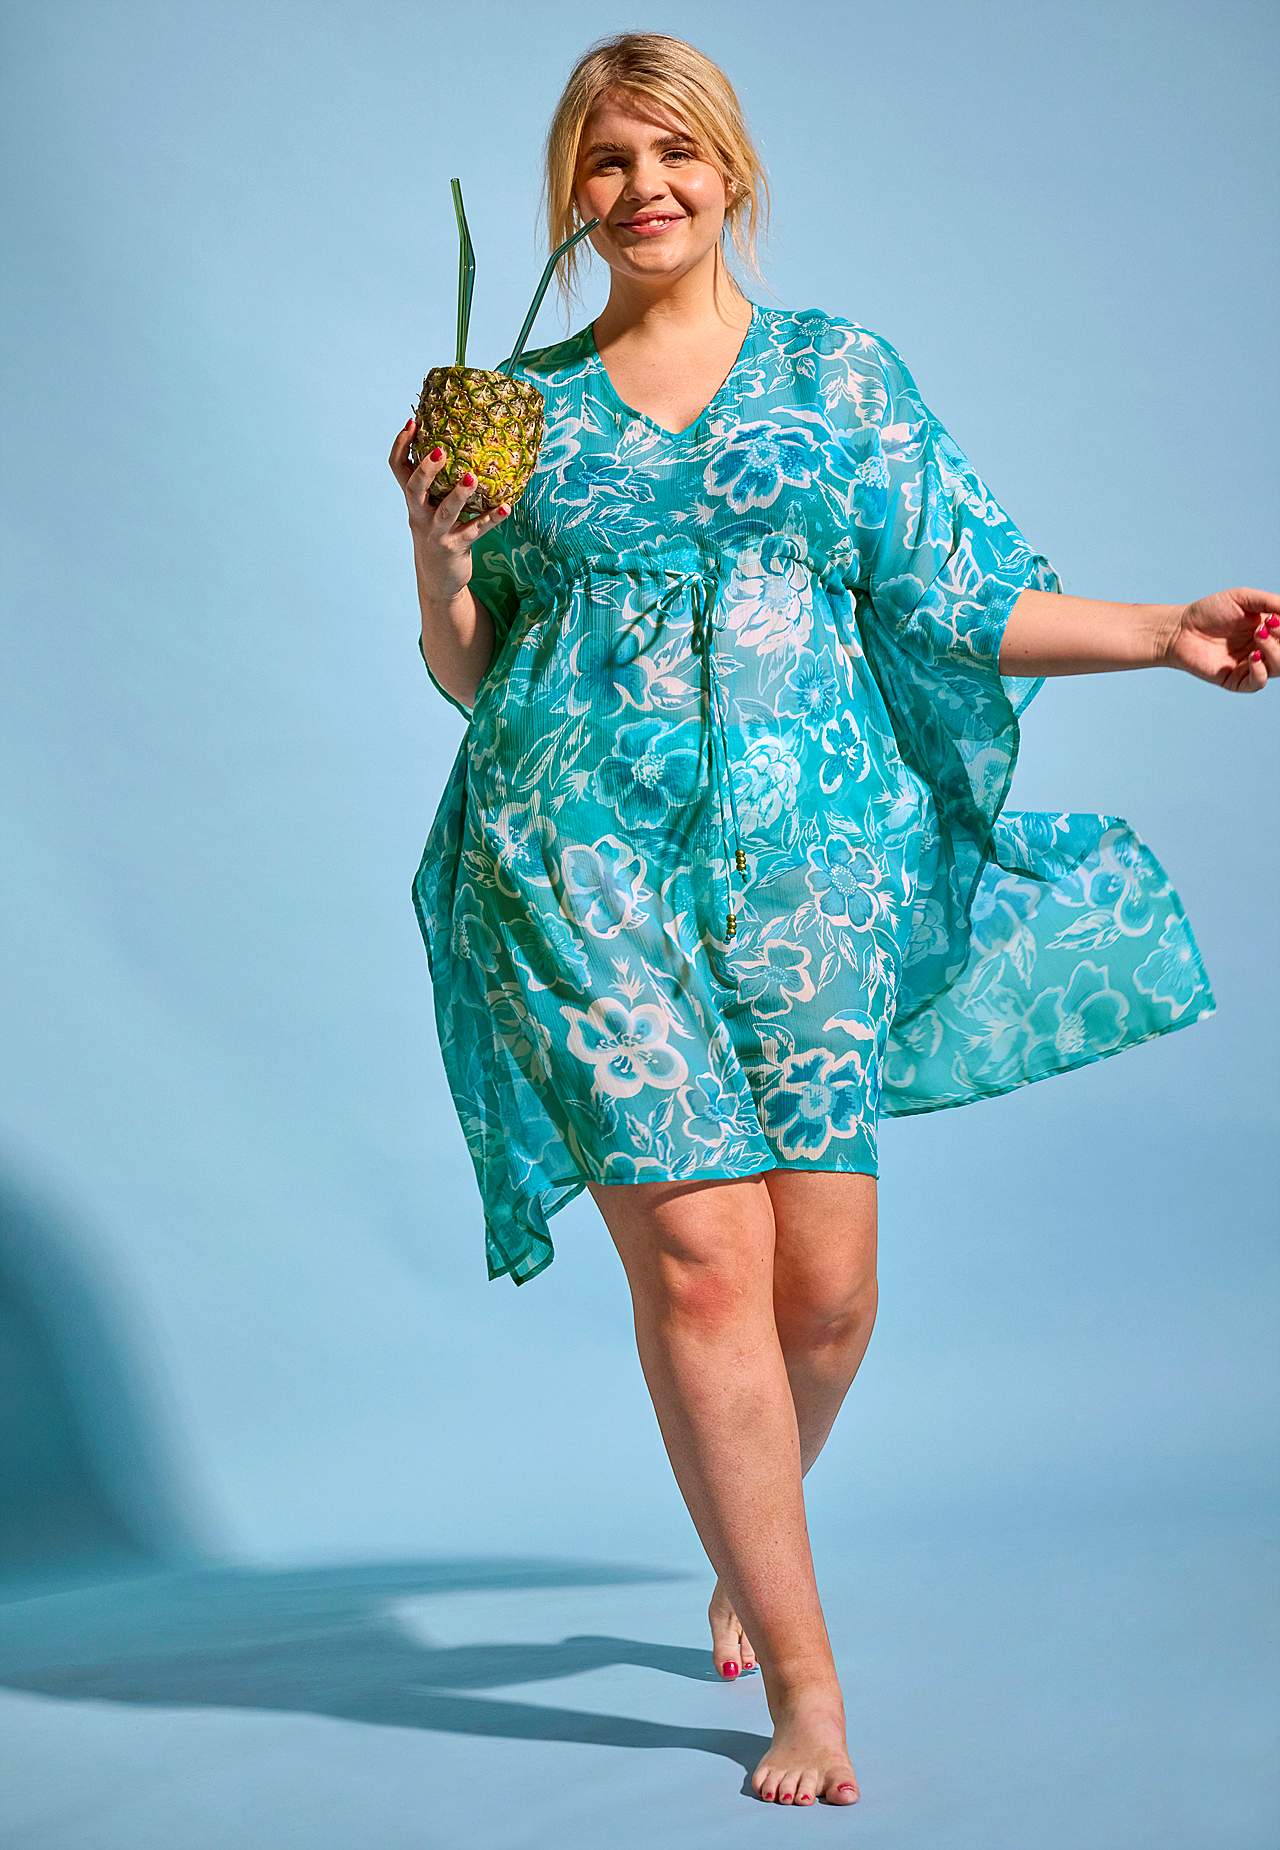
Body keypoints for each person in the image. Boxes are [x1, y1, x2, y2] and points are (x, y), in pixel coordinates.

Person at [388, 31, 1275, 1810]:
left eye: (674, 154)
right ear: (570, 193)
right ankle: (808, 1681)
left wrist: (1164, 631)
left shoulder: (835, 375)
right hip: (579, 864)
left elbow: (964, 595)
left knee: (830, 1296)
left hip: (809, 879)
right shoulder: (517, 408)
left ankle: (751, 1526)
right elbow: (477, 679)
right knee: (704, 1260)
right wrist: (439, 550)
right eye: (606, 161)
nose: (643, 189)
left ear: (731, 173)